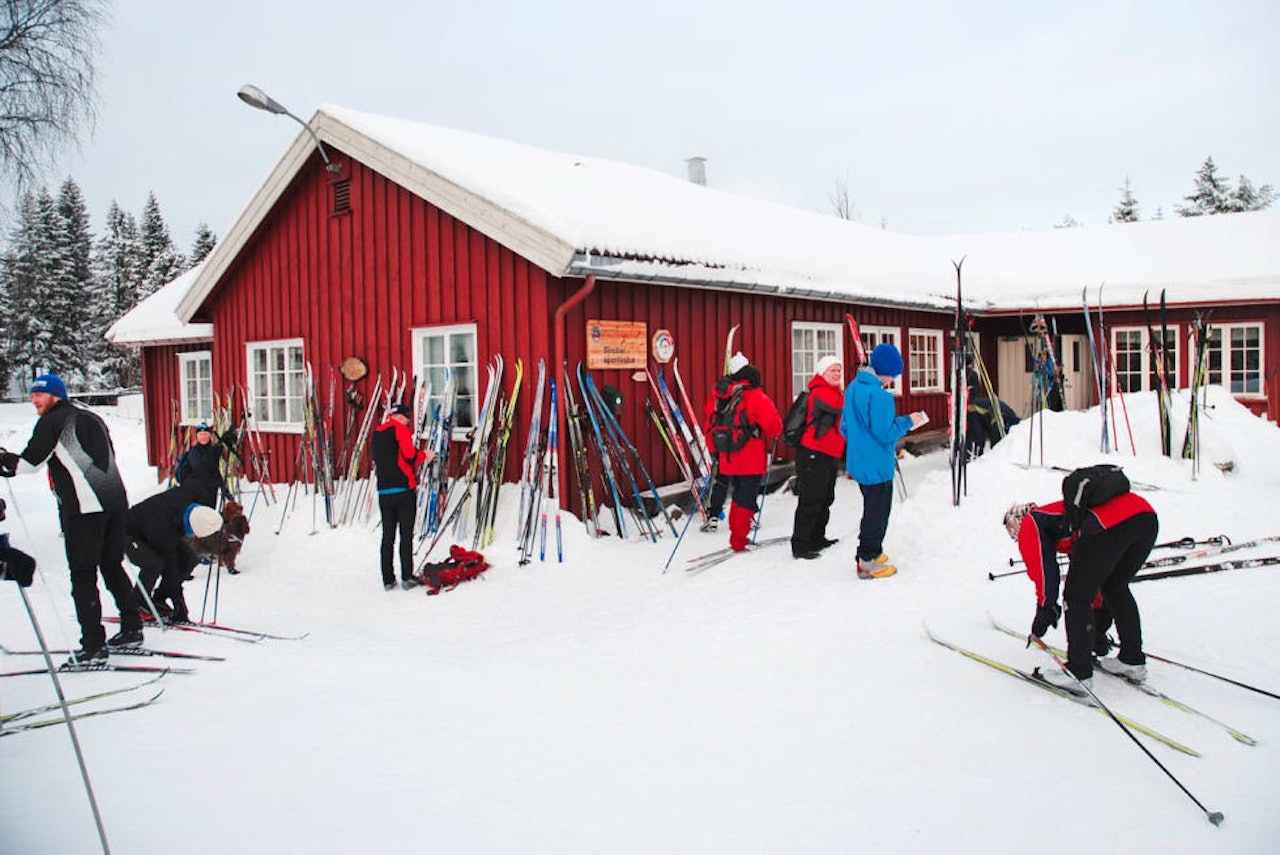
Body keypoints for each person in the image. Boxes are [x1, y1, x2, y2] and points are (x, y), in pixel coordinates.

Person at [0, 373, 142, 665]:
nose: (34, 400)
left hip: (84, 508)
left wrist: (5, 460)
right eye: (32, 396)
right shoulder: (91, 418)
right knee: (112, 565)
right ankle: (132, 627)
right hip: (115, 502)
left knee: (82, 574)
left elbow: (28, 465)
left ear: (56, 395)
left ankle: (93, 645)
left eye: (39, 395)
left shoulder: (53, 421)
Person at [1005, 489, 1157, 694]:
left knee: (1074, 597)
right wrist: (1097, 626)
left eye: (1012, 532)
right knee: (1115, 587)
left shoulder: (1031, 523)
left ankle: (1078, 673)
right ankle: (1132, 660)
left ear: (1016, 522)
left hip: (1110, 524)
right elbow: (1092, 582)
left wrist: (1046, 609)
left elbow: (1043, 573)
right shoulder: (1062, 519)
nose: (1015, 538)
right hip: (1145, 517)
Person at [842, 344, 928, 579]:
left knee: (871, 508)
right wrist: (909, 421)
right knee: (877, 513)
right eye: (894, 375)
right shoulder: (880, 397)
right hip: (877, 466)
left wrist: (861, 443)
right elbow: (885, 432)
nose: (893, 380)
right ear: (886, 371)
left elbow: (845, 427)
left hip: (859, 462)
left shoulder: (852, 388)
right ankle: (867, 559)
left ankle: (872, 551)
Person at [701, 352, 783, 552]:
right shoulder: (756, 395)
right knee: (744, 499)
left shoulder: (720, 395)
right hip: (750, 456)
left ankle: (736, 534)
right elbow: (774, 426)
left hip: (727, 455)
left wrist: (715, 451)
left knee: (737, 496)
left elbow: (709, 421)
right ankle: (738, 539)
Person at [126, 487, 223, 624]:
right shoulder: (163, 528)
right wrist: (179, 603)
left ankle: (159, 599)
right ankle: (138, 604)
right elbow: (170, 568)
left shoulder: (187, 502)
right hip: (127, 533)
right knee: (155, 563)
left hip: (158, 529)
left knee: (189, 559)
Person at [372, 403, 433, 590]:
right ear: (400, 417)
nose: (408, 422)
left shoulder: (377, 432)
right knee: (406, 534)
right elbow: (409, 456)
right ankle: (407, 576)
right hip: (403, 489)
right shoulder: (400, 430)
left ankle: (388, 579)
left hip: (384, 491)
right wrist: (425, 455)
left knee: (387, 536)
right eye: (407, 418)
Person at [790, 356, 845, 559]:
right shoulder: (820, 392)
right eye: (833, 370)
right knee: (811, 500)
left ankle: (817, 538)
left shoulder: (835, 392)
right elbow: (841, 408)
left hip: (828, 454)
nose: (837, 374)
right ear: (822, 373)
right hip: (814, 453)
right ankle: (801, 546)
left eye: (839, 370)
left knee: (825, 498)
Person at [175, 421, 232, 508]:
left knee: (210, 515)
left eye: (205, 434)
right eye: (200, 435)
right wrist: (216, 449)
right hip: (197, 491)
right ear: (197, 437)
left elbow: (214, 471)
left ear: (209, 436)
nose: (203, 437)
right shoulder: (194, 452)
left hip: (210, 490)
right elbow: (201, 467)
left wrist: (224, 489)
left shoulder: (212, 450)